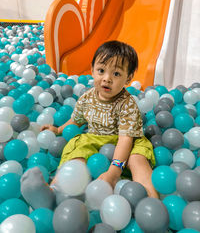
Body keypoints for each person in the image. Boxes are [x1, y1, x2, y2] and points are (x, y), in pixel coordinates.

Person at [21, 40, 158, 210]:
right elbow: (77, 120)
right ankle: (54, 192)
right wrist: (58, 129)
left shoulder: (127, 104)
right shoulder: (87, 98)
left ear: (128, 78)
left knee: (138, 159)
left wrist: (114, 172)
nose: (107, 79)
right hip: (95, 139)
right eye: (101, 71)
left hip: (127, 140)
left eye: (116, 74)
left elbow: (125, 140)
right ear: (92, 70)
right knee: (77, 151)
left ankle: (152, 203)